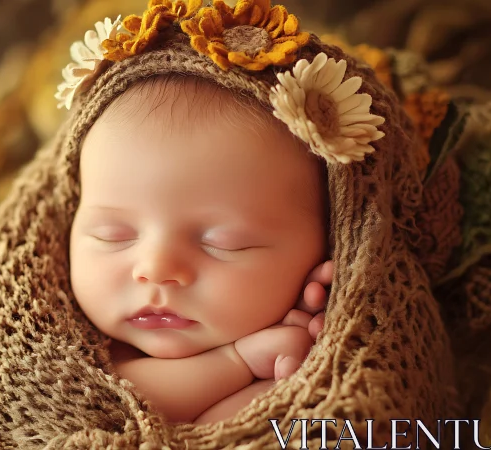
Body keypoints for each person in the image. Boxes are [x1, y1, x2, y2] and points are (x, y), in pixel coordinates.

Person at [68, 74, 335, 424]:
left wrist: (267, 385)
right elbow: (104, 408)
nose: (156, 269)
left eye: (224, 243)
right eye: (113, 235)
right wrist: (237, 362)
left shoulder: (333, 362)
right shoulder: (81, 351)